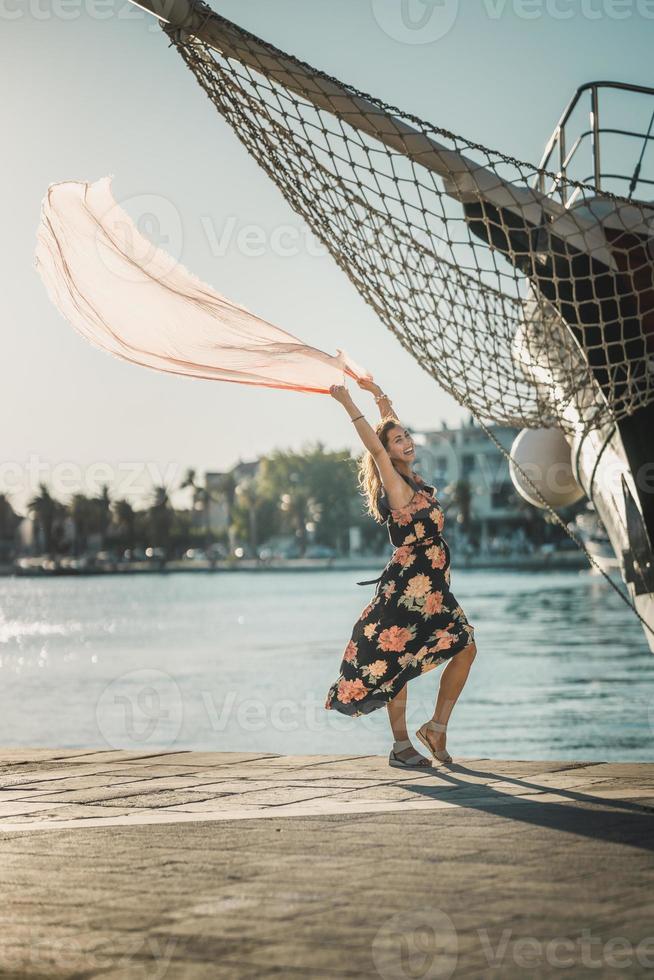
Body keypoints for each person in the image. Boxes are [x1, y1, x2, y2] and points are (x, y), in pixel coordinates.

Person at [324, 377, 477, 770]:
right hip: (406, 590)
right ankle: (401, 745)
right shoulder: (394, 483)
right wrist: (347, 402)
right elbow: (375, 445)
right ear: (388, 454)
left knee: (466, 647)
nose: (406, 442)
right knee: (398, 664)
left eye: (407, 436)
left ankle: (437, 728)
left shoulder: (415, 482)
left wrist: (381, 399)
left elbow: (387, 434)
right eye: (399, 441)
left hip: (433, 590)